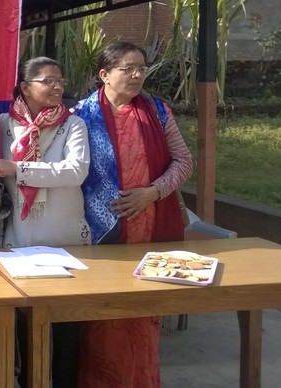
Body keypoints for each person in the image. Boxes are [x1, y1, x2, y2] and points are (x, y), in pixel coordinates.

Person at [74, 41, 193, 388]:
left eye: (142, 68)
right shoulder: (79, 115)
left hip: (149, 230)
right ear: (105, 74)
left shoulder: (157, 111)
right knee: (100, 318)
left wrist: (152, 193)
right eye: (128, 68)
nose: (138, 75)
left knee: (142, 317)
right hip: (97, 234)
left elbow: (184, 162)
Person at [0, 57, 90, 388]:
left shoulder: (73, 124)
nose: (57, 87)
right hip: (20, 243)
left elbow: (76, 171)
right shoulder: (3, 124)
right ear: (25, 87)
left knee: (67, 331)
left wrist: (20, 169)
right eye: (48, 81)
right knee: (27, 331)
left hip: (65, 240)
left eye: (60, 80)